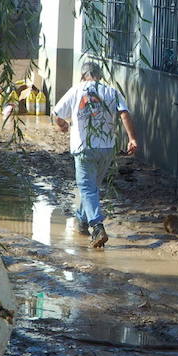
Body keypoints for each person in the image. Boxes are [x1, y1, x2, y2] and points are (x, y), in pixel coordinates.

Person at [51, 61, 138, 248]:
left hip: (84, 148)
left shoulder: (76, 90)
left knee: (88, 188)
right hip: (106, 149)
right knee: (92, 187)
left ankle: (97, 226)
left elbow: (56, 113)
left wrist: (62, 125)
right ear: (99, 75)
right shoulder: (111, 91)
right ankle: (81, 221)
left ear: (83, 76)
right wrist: (132, 138)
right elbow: (123, 113)